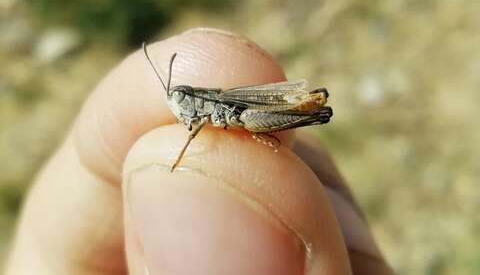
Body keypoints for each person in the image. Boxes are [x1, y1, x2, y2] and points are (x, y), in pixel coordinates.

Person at [5, 28, 393, 274]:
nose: (179, 107)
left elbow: (218, 122)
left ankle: (308, 111)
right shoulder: (193, 111)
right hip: (240, 121)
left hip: (248, 111)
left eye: (180, 98)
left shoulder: (210, 108)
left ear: (193, 98)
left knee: (297, 113)